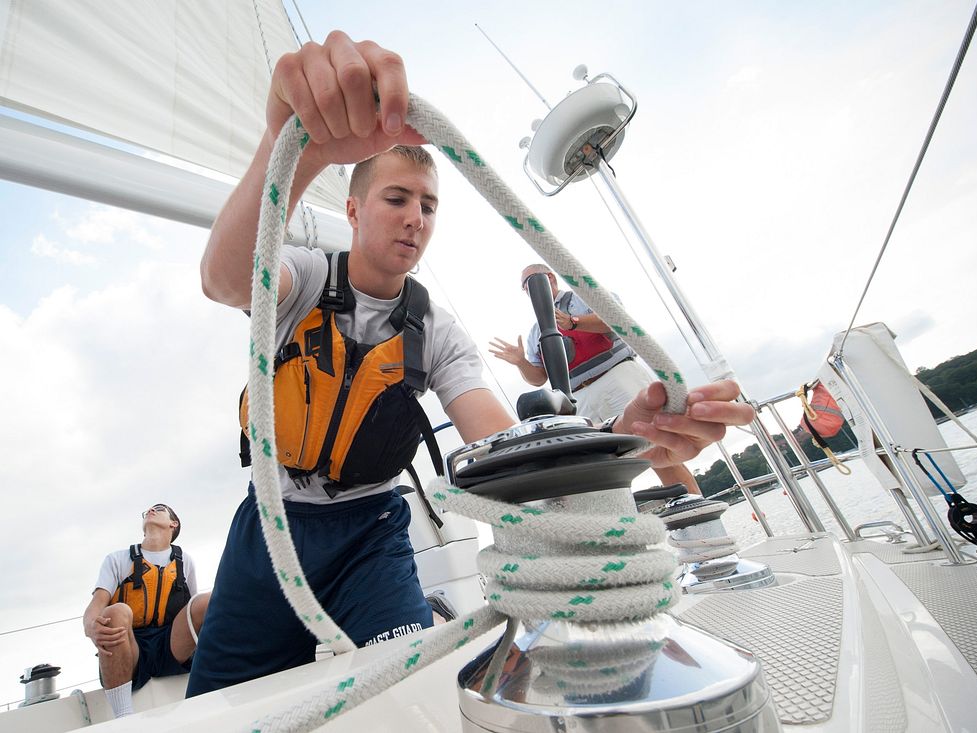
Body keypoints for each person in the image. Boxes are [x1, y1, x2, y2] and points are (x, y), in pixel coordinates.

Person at [187, 30, 754, 697]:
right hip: (271, 531)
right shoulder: (305, 279)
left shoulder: (435, 331)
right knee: (216, 707)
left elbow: (497, 441)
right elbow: (226, 279)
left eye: (428, 205)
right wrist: (298, 152)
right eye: (396, 198)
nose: (415, 219)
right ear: (353, 208)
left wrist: (609, 446)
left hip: (372, 536)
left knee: (416, 690)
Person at [490, 264, 702, 493]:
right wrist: (521, 361)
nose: (529, 290)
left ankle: (695, 507)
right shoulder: (535, 332)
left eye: (531, 282)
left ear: (550, 278)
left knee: (654, 446)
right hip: (578, 397)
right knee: (599, 464)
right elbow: (538, 378)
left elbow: (616, 318)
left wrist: (573, 322)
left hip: (616, 376)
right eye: (525, 287)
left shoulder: (584, 297)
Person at [83, 504, 209, 718]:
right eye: (147, 511)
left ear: (173, 524)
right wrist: (91, 628)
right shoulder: (117, 560)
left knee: (207, 601)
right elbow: (94, 609)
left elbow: (193, 612)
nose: (150, 510)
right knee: (116, 612)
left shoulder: (185, 562)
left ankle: (222, 676)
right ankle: (124, 717)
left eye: (159, 509)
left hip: (171, 646)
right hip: (129, 649)